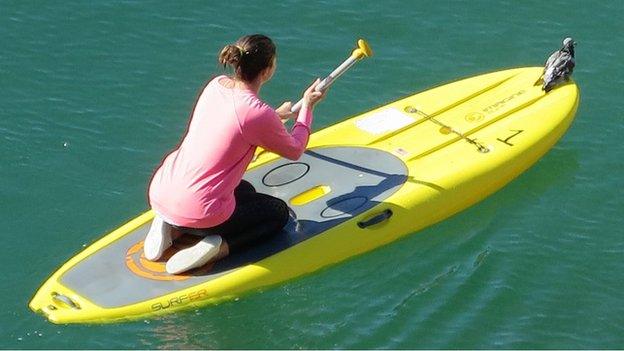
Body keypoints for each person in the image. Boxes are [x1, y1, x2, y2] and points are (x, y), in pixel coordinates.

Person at [144, 34, 326, 274]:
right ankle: (216, 246)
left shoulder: (215, 85)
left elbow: (234, 121)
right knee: (277, 213)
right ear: (268, 69)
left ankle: (170, 226)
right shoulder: (258, 114)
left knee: (245, 190)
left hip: (161, 193)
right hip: (202, 213)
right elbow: (295, 150)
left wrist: (274, 117)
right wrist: (307, 108)